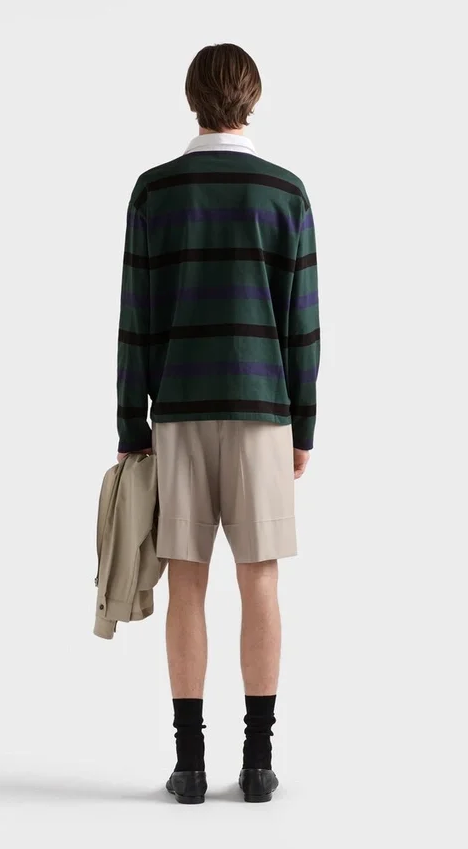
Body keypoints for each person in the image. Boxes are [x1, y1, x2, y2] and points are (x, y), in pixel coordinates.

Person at [114, 43, 319, 803]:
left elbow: (136, 317)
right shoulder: (285, 192)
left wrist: (130, 424)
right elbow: (303, 324)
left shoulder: (156, 191)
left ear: (192, 98)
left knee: (188, 584)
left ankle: (190, 765)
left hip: (178, 412)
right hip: (265, 413)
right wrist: (304, 425)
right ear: (252, 99)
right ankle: (258, 764)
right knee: (260, 579)